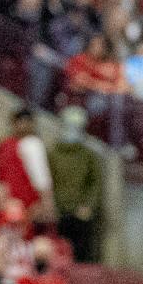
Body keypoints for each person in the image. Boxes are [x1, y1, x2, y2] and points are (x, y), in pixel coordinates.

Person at [47, 108, 102, 263]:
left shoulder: (88, 156)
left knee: (81, 253)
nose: (72, 130)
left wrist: (88, 206)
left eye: (76, 126)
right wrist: (50, 205)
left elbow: (94, 184)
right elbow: (47, 181)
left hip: (80, 213)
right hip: (58, 212)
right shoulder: (53, 153)